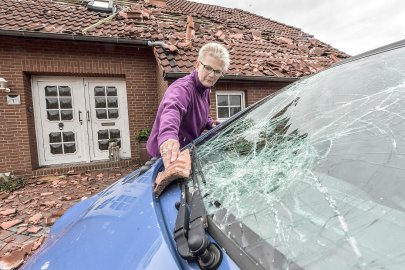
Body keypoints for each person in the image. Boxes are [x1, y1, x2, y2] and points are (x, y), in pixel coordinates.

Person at [146, 42, 230, 168]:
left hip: (185, 153)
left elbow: (200, 112)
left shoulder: (205, 89)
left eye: (217, 71)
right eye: (208, 68)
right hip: (163, 158)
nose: (212, 75)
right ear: (197, 65)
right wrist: (168, 137)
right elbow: (172, 110)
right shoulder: (182, 88)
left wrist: (209, 123)